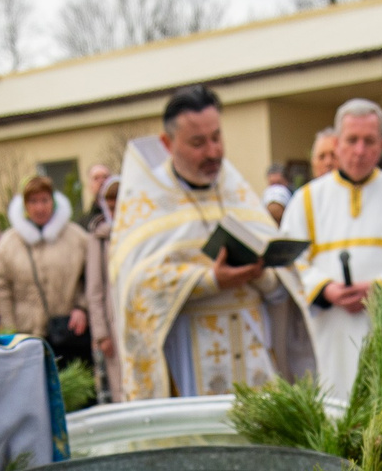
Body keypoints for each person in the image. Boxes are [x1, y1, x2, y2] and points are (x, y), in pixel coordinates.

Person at [109, 84, 315, 399]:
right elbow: (135, 288)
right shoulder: (147, 203)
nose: (213, 152)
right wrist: (210, 280)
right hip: (191, 367)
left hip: (255, 361)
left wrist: (261, 275)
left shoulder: (239, 194)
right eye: (198, 142)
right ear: (167, 144)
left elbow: (281, 296)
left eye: (217, 138)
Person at [280, 98, 382, 400]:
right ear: (337, 143)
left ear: (381, 145)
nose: (359, 150)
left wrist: (377, 289)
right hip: (330, 331)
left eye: (369, 141)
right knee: (334, 409)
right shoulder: (306, 201)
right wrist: (325, 289)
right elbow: (289, 262)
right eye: (351, 140)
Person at [0, 172, 104, 370]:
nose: (40, 207)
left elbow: (93, 278)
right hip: (27, 337)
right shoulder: (7, 245)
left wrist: (82, 307)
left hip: (70, 335)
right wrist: (9, 331)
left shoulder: (77, 238)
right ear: (24, 206)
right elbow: (1, 289)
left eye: (44, 200)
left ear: (54, 202)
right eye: (33, 201)